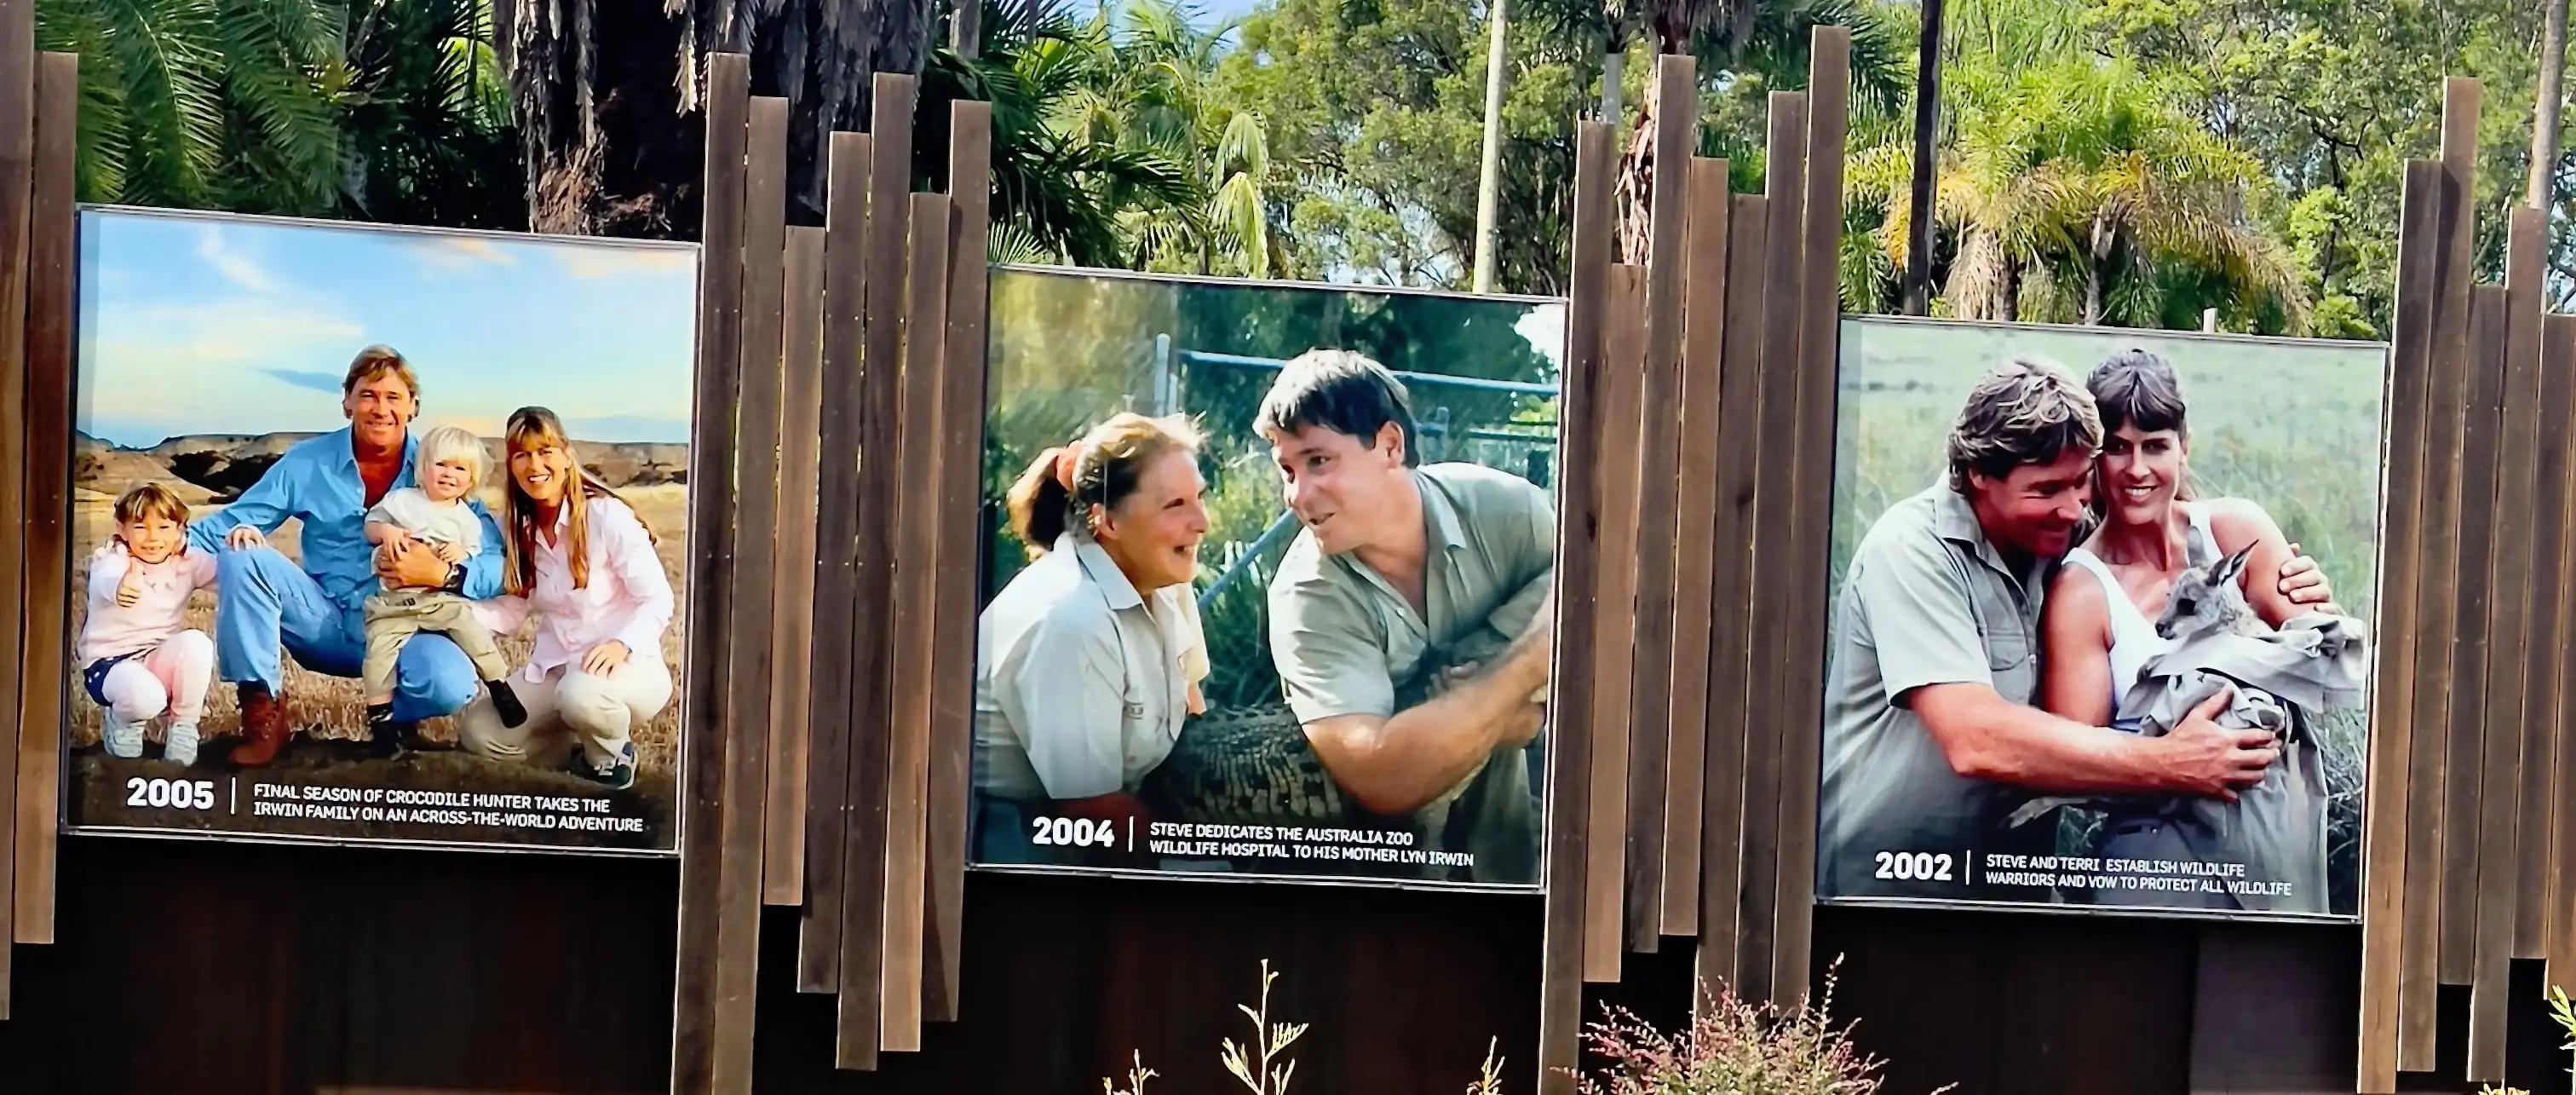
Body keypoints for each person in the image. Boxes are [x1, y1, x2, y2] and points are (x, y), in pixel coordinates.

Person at [1815, 355, 2337, 901]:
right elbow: (1975, 739)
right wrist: (2167, 762)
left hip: (2011, 892)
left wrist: (2290, 589)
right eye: (2046, 490)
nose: (2071, 510)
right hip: (1886, 890)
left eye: (2080, 483)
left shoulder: (2061, 539)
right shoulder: (1911, 552)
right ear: (1979, 476)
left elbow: (2167, 538)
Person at [2037, 349, 2343, 910]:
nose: (2136, 471)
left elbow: (2327, 666)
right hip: (2155, 857)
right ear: (2092, 461)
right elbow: (2075, 767)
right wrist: (2170, 759)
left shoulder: (2235, 529)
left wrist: (2320, 607)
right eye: (2117, 449)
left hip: (2269, 849)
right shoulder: (2082, 591)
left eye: (2155, 446)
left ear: (2184, 446)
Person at [1256, 350, 1551, 883]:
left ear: (1390, 445)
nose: (1298, 495)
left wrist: (1483, 711)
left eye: (1319, 461)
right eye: (1288, 470)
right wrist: (1529, 669)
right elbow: (1382, 777)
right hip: (1372, 888)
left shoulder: (1507, 513)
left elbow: (1612, 615)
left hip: (1521, 873)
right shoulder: (1307, 597)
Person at [193, 345, 506, 767]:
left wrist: (445, 574)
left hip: (404, 625)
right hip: (323, 622)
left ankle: (391, 718)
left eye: (394, 397)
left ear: (413, 407)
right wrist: (143, 550)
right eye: (368, 395)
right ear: (347, 402)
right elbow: (227, 524)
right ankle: (263, 712)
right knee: (240, 552)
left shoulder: (441, 465)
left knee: (450, 683)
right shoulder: (307, 462)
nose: (381, 409)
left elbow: (495, 562)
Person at [972, 412, 1211, 863]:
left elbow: (1192, 713)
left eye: (1198, 497)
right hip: (1015, 848)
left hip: (1110, 824)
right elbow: (1092, 814)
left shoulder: (1166, 580)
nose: (1202, 522)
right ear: (1107, 521)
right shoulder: (1072, 619)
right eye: (1174, 505)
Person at [455, 406, 675, 791]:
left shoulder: (607, 516)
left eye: (545, 451)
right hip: (556, 668)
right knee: (480, 731)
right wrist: (455, 613)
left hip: (627, 668)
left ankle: (611, 760)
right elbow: (511, 613)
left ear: (566, 455)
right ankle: (569, 756)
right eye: (522, 455)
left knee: (580, 695)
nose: (534, 464)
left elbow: (658, 599)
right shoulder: (517, 529)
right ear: (511, 464)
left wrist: (623, 644)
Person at [359, 424, 527, 756]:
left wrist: (459, 553)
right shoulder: (402, 501)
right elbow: (371, 525)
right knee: (378, 657)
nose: (449, 474)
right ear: (423, 468)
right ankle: (381, 723)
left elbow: (475, 552)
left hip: (438, 600)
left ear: (472, 478)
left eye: (460, 468)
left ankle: (499, 686)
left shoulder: (468, 519)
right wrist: (387, 533)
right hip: (393, 603)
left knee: (471, 629)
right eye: (441, 465)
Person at [77, 484, 219, 764]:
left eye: (164, 527)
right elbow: (107, 581)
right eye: (140, 527)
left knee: (197, 644)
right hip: (109, 666)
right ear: (122, 528)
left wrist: (246, 550)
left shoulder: (188, 561)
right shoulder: (113, 561)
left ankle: (183, 729)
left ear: (180, 529)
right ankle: (122, 720)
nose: (153, 538)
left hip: (156, 659)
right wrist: (121, 588)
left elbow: (235, 580)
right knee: (147, 697)